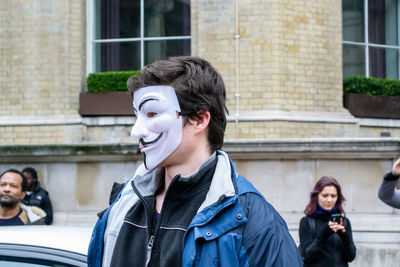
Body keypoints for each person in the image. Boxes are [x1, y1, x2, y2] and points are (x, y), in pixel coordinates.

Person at [88, 56, 302, 267]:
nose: (137, 131)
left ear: (199, 120)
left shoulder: (254, 223)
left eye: (152, 113)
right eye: (138, 115)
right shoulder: (121, 207)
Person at [298, 176, 356, 266]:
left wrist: (344, 236)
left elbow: (351, 257)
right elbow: (308, 256)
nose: (329, 200)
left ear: (338, 197)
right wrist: (323, 235)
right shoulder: (307, 222)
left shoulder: (344, 222)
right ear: (317, 196)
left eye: (333, 196)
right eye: (325, 196)